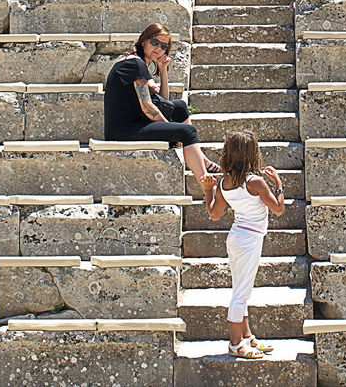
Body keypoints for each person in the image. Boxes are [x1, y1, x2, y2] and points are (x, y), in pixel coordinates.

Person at [201, 131, 285, 360]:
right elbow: (278, 209)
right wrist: (278, 184)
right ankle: (235, 343)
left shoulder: (223, 183)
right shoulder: (255, 182)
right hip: (250, 239)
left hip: (236, 237)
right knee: (241, 292)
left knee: (241, 288)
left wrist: (208, 189)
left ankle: (247, 336)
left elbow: (214, 214)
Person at [103, 22, 219, 182]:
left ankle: (200, 158)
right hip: (122, 130)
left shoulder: (139, 63)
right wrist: (171, 131)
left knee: (179, 106)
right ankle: (206, 183)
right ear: (144, 41)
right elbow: (147, 106)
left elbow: (163, 101)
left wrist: (163, 70)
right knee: (187, 132)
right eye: (155, 42)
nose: (158, 48)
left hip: (135, 123)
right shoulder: (135, 63)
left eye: (163, 46)